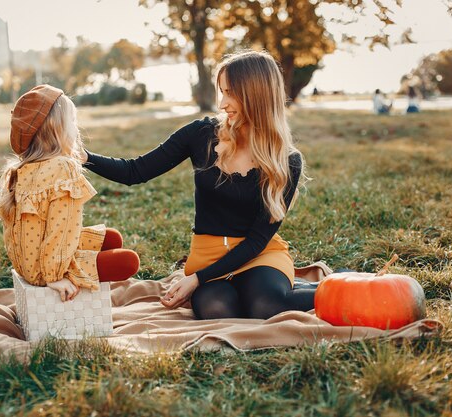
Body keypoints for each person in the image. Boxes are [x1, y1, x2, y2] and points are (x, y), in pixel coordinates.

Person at [81, 50, 316, 320]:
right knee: (217, 311)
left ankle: (337, 288)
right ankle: (283, 288)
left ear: (256, 95)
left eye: (231, 93)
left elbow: (257, 239)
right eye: (222, 92)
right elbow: (136, 171)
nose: (223, 103)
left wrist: (195, 280)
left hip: (259, 256)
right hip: (207, 257)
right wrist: (85, 157)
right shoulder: (200, 134)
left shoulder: (286, 160)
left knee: (266, 306)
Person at [0, 84, 139, 302]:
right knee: (129, 261)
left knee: (112, 238)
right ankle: (70, 281)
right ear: (56, 128)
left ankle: (64, 270)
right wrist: (54, 276)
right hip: (47, 268)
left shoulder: (22, 169)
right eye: (73, 122)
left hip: (28, 264)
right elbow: (61, 228)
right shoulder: (63, 167)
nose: (77, 128)